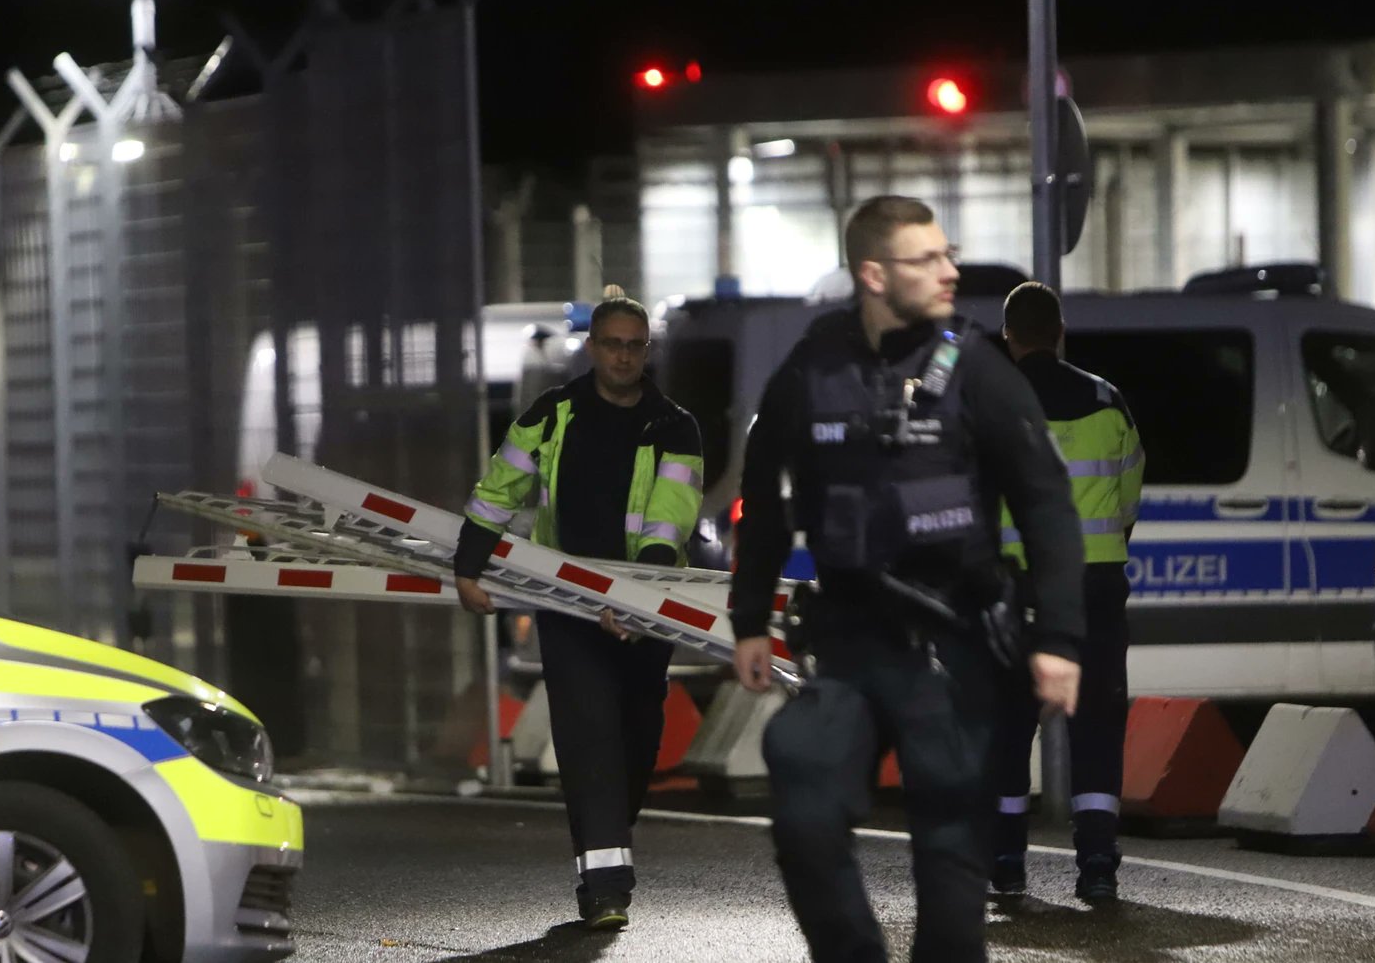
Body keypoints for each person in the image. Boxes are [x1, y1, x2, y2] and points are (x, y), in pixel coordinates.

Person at [728, 195, 1086, 963]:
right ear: (874, 273)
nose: (950, 271)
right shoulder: (813, 365)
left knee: (951, 849)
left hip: (954, 645)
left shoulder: (977, 368)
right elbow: (764, 495)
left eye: (946, 253)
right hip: (851, 642)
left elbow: (1047, 503)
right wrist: (749, 615)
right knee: (804, 804)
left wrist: (1058, 639)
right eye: (928, 260)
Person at [454, 284, 705, 931]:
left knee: (638, 737)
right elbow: (497, 489)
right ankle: (605, 887)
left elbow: (668, 522)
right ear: (592, 347)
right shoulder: (551, 413)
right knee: (588, 733)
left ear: (646, 352)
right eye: (612, 344)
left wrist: (634, 597)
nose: (623, 357)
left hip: (644, 607)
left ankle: (606, 839)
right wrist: (468, 564)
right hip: (564, 602)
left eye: (634, 347)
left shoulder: (675, 427)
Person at [990, 281, 1145, 902]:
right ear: (1059, 331)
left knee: (1006, 724)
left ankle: (1005, 863)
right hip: (1096, 587)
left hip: (1019, 588)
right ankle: (1098, 866)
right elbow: (1129, 493)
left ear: (1009, 337)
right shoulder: (1109, 402)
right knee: (1098, 725)